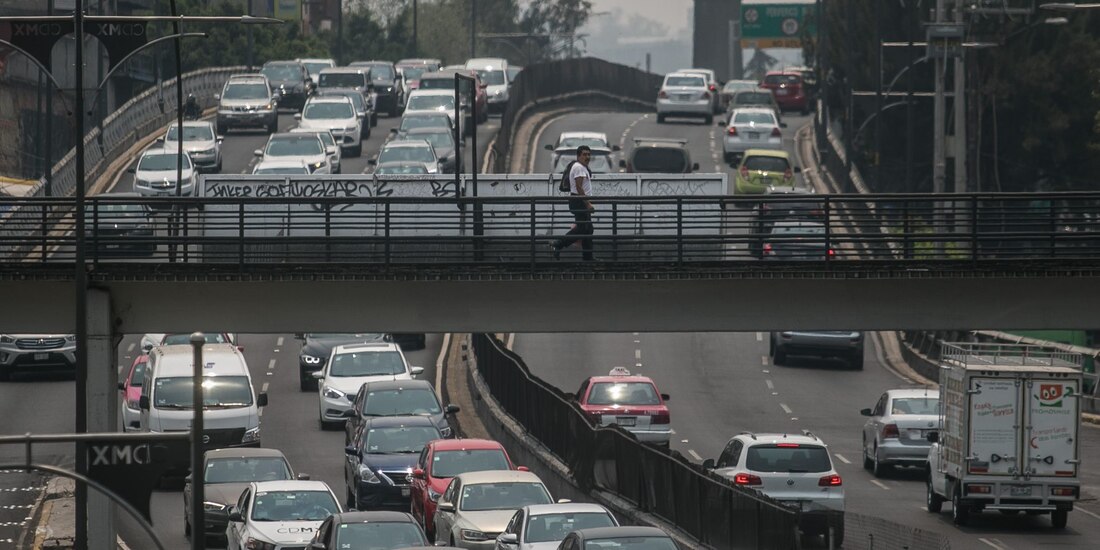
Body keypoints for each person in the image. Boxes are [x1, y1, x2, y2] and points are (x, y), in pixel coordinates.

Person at [551, 145, 595, 260]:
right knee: (582, 229)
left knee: (588, 229)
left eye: (588, 154)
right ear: (578, 156)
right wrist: (588, 203)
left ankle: (588, 257)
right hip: (579, 201)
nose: (587, 157)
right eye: (584, 154)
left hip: (579, 200)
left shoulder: (581, 167)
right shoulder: (579, 167)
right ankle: (558, 243)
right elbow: (579, 187)